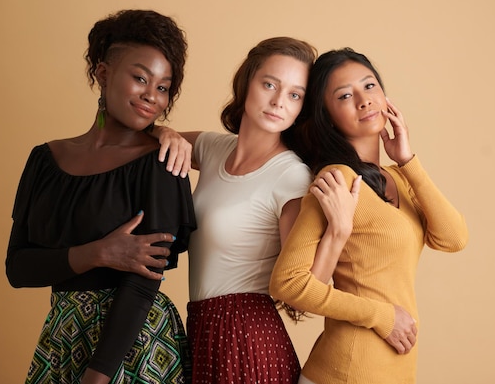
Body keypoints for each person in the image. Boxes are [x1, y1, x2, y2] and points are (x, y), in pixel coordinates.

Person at [155, 37, 364, 384]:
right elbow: (141, 140)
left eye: (295, 95)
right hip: (205, 331)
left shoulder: (290, 176)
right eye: (269, 84)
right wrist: (165, 132)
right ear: (246, 82)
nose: (279, 102)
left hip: (248, 340)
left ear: (302, 108)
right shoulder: (212, 148)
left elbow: (304, 292)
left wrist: (339, 231)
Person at [5, 9, 196, 384]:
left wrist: (99, 374)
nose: (151, 96)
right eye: (140, 78)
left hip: (133, 344)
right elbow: (18, 268)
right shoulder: (43, 159)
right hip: (63, 335)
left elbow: (143, 283)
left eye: (163, 87)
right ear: (104, 73)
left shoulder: (161, 163)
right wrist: (99, 252)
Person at [269, 48, 469, 384]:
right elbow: (289, 283)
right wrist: (381, 315)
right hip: (345, 370)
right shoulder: (337, 179)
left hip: (394, 372)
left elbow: (454, 238)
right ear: (328, 116)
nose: (364, 100)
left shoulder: (401, 178)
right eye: (345, 95)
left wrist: (408, 160)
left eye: (370, 86)